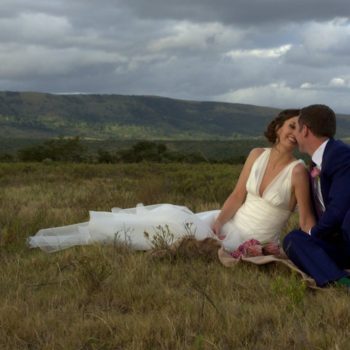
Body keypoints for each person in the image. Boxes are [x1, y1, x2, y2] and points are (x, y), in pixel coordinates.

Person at [28, 110, 315, 254]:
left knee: (181, 235)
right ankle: (98, 235)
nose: (294, 132)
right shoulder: (256, 154)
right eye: (290, 125)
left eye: (300, 129)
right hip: (228, 223)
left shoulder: (297, 172)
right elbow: (237, 195)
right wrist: (217, 224)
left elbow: (304, 221)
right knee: (171, 220)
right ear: (277, 127)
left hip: (256, 238)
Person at [283, 104, 350, 287]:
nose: (295, 134)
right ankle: (338, 280)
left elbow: (339, 207)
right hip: (337, 243)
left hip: (346, 234)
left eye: (296, 128)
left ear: (305, 130)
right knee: (293, 240)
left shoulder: (341, 155)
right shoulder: (315, 163)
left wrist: (314, 233)